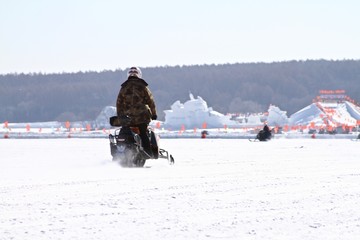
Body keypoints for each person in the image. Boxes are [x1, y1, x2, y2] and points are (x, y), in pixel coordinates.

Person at [116, 67, 157, 157]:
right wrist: (154, 114)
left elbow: (119, 103)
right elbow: (151, 101)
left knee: (124, 132)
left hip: (127, 119)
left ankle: (119, 153)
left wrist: (120, 116)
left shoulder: (124, 87)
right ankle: (147, 153)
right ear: (139, 74)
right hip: (141, 118)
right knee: (143, 133)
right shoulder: (143, 86)